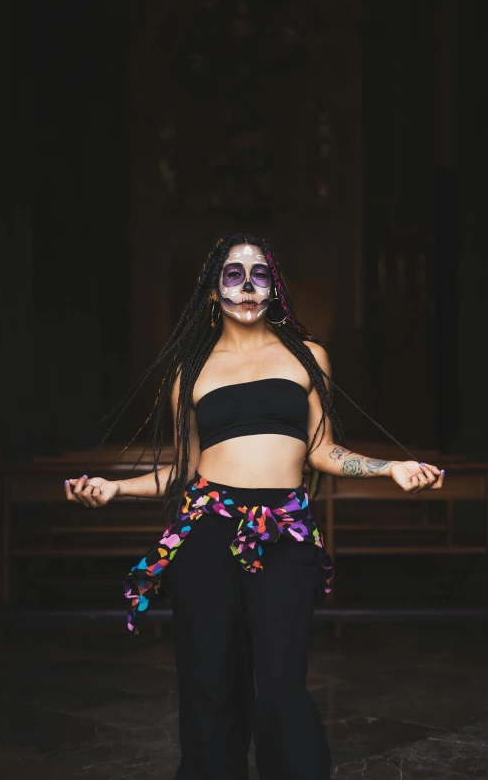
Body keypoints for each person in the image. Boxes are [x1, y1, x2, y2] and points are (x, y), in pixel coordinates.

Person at [64, 233, 445, 780]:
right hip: (206, 532)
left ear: (275, 285)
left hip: (283, 534)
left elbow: (322, 449)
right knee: (211, 684)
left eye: (258, 273)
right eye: (233, 274)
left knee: (283, 684)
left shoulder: (307, 357)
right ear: (212, 288)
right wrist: (114, 487)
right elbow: (181, 469)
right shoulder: (188, 371)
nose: (246, 287)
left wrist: (391, 468)